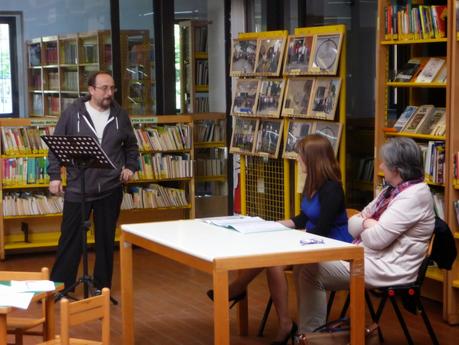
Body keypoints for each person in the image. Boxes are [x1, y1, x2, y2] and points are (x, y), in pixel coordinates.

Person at [208, 134, 352, 345]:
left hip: (330, 247)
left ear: (313, 160)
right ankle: (280, 320)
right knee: (271, 258)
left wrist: (288, 238)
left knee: (274, 260)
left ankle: (239, 291)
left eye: (301, 156)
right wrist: (269, 226)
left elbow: (321, 229)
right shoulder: (313, 184)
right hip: (311, 243)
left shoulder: (332, 189)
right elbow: (302, 218)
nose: (298, 160)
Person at [293, 137, 435, 334]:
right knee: (304, 265)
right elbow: (353, 225)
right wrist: (370, 224)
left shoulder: (414, 196)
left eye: (386, 162)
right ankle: (309, 334)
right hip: (370, 257)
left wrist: (367, 223)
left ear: (397, 169)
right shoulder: (391, 191)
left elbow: (376, 239)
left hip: (389, 267)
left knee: (311, 270)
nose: (381, 165)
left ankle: (311, 336)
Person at [47, 71, 139, 291]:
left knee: (106, 241)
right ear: (91, 90)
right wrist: (54, 176)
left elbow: (132, 147)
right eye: (105, 88)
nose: (110, 93)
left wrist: (130, 167)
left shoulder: (120, 115)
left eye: (112, 88)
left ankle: (101, 286)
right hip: (79, 187)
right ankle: (61, 287)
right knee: (69, 239)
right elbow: (55, 148)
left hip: (110, 187)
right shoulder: (72, 114)